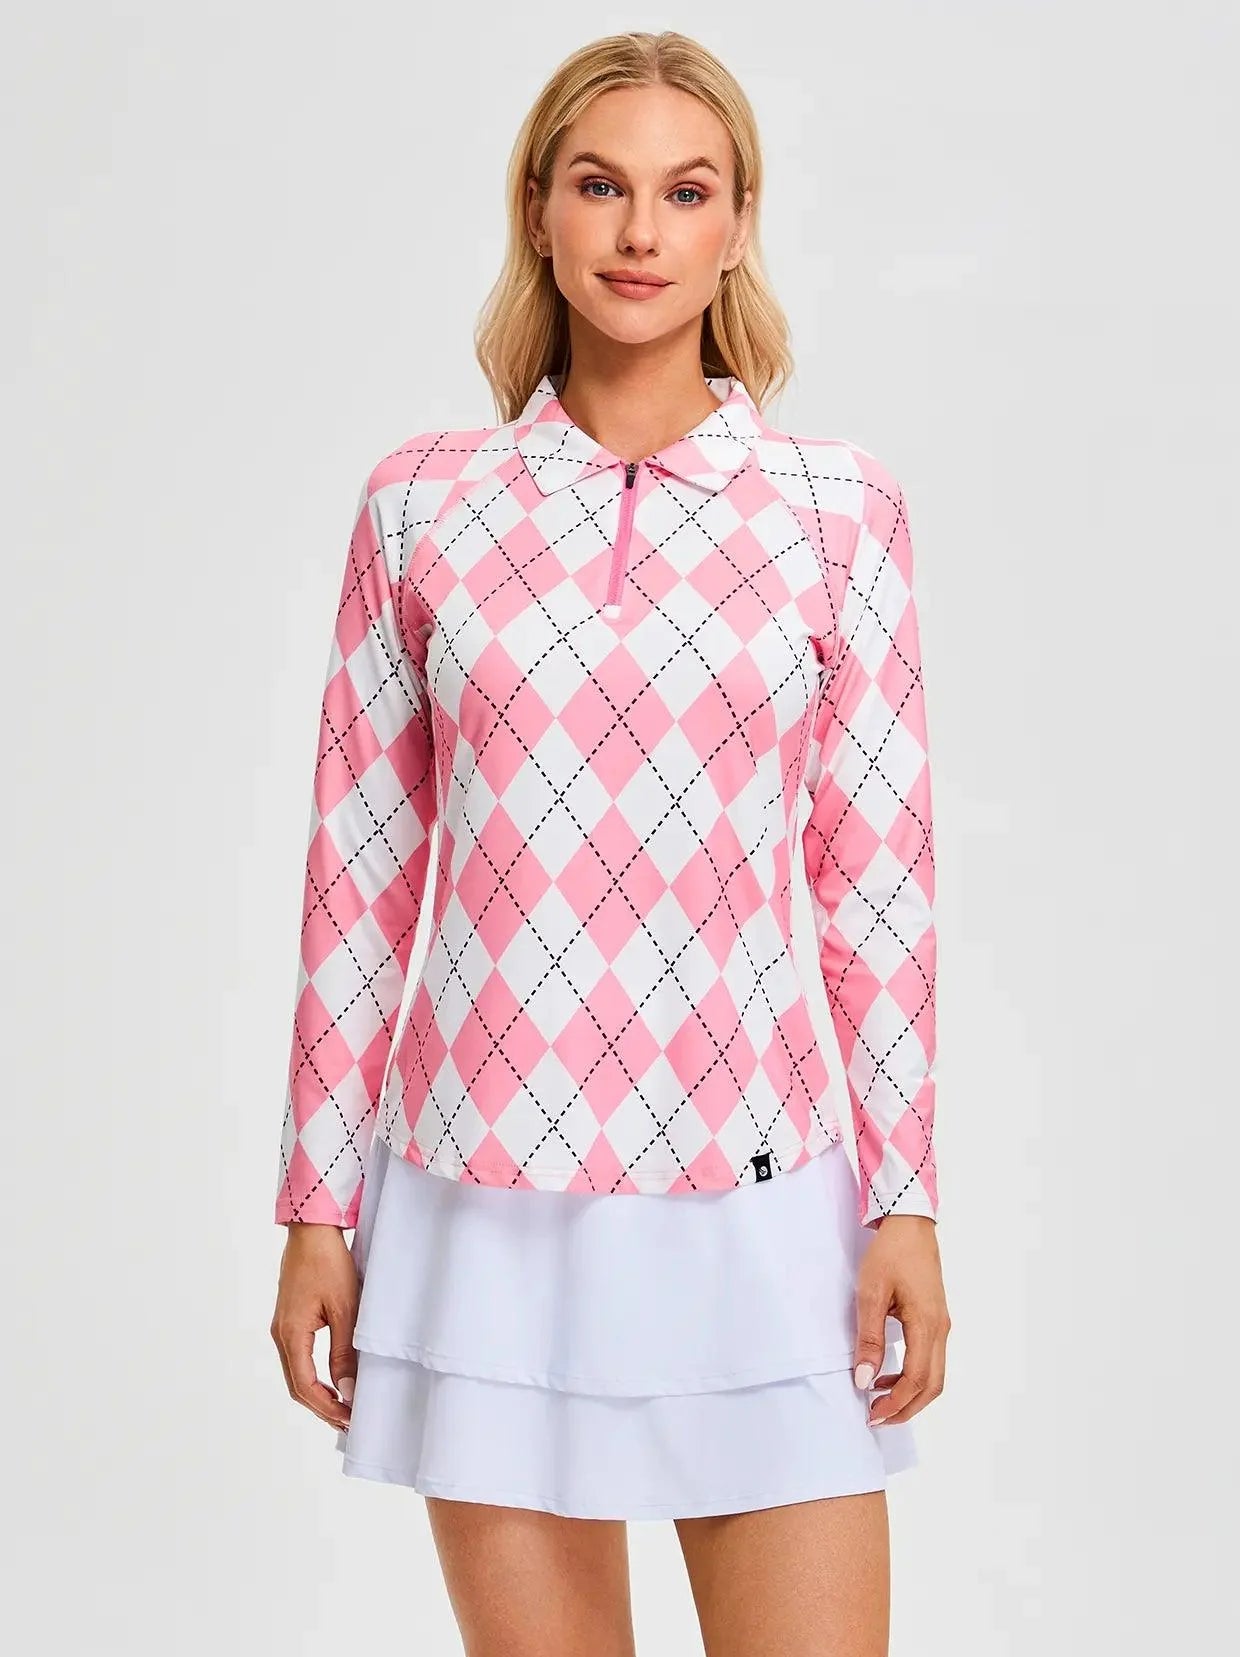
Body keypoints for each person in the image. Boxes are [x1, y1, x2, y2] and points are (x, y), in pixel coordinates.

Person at [269, 27, 950, 1657]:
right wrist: (314, 1205)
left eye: (686, 192)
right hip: (480, 1206)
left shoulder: (836, 510)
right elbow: (360, 879)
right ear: (540, 210)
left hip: (758, 1196)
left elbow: (878, 888)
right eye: (601, 186)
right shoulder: (423, 505)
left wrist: (908, 1200)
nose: (642, 231)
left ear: (738, 225)